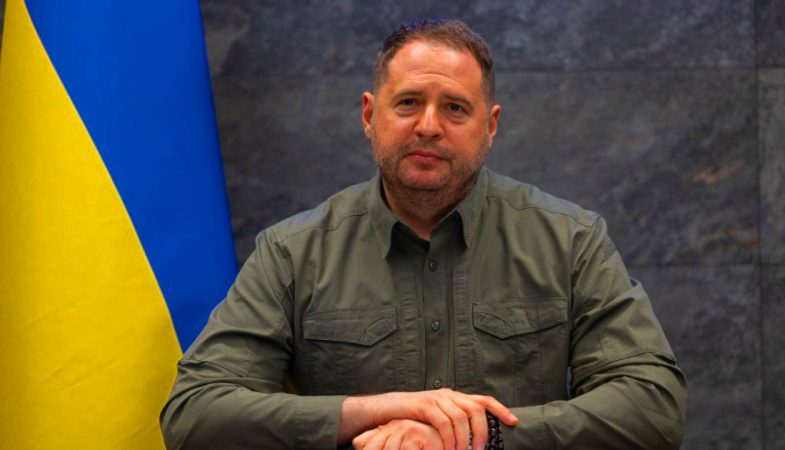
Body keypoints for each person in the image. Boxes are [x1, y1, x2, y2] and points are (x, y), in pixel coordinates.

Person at [161, 18, 687, 450]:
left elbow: (653, 405)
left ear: (490, 126)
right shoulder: (292, 253)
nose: (429, 126)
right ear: (370, 115)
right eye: (408, 102)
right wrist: (374, 411)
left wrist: (482, 437)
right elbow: (195, 414)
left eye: (455, 107)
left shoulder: (570, 240)